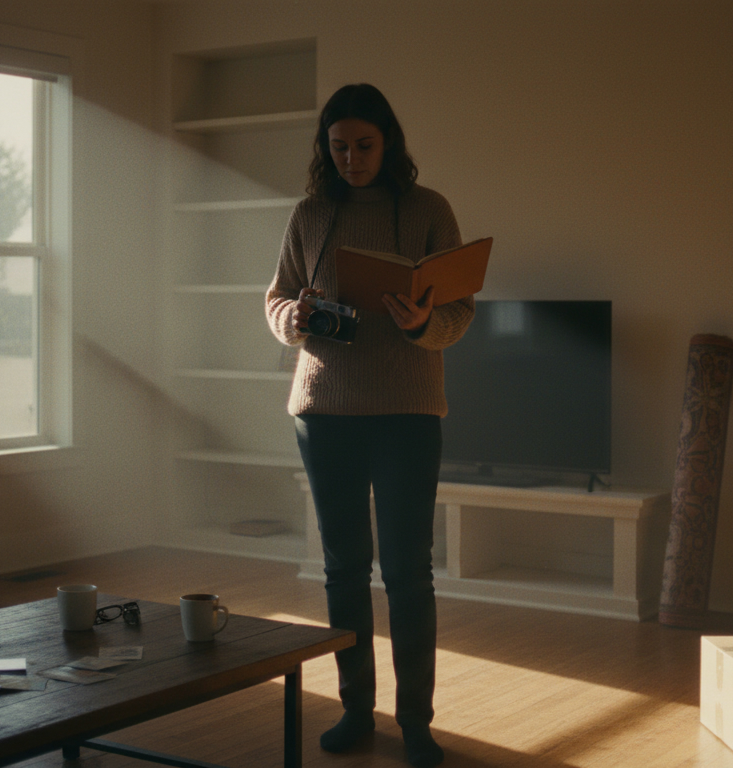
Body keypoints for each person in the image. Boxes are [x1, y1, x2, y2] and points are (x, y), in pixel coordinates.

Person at [264, 83, 475, 768]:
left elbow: (460, 311)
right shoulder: (310, 213)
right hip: (325, 412)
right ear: (325, 150)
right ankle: (355, 709)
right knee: (343, 570)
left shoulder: (428, 211)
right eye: (339, 147)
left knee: (409, 573)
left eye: (363, 145)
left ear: (389, 143)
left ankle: (415, 719)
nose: (352, 159)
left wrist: (424, 323)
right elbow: (275, 296)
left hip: (409, 411)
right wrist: (288, 320)